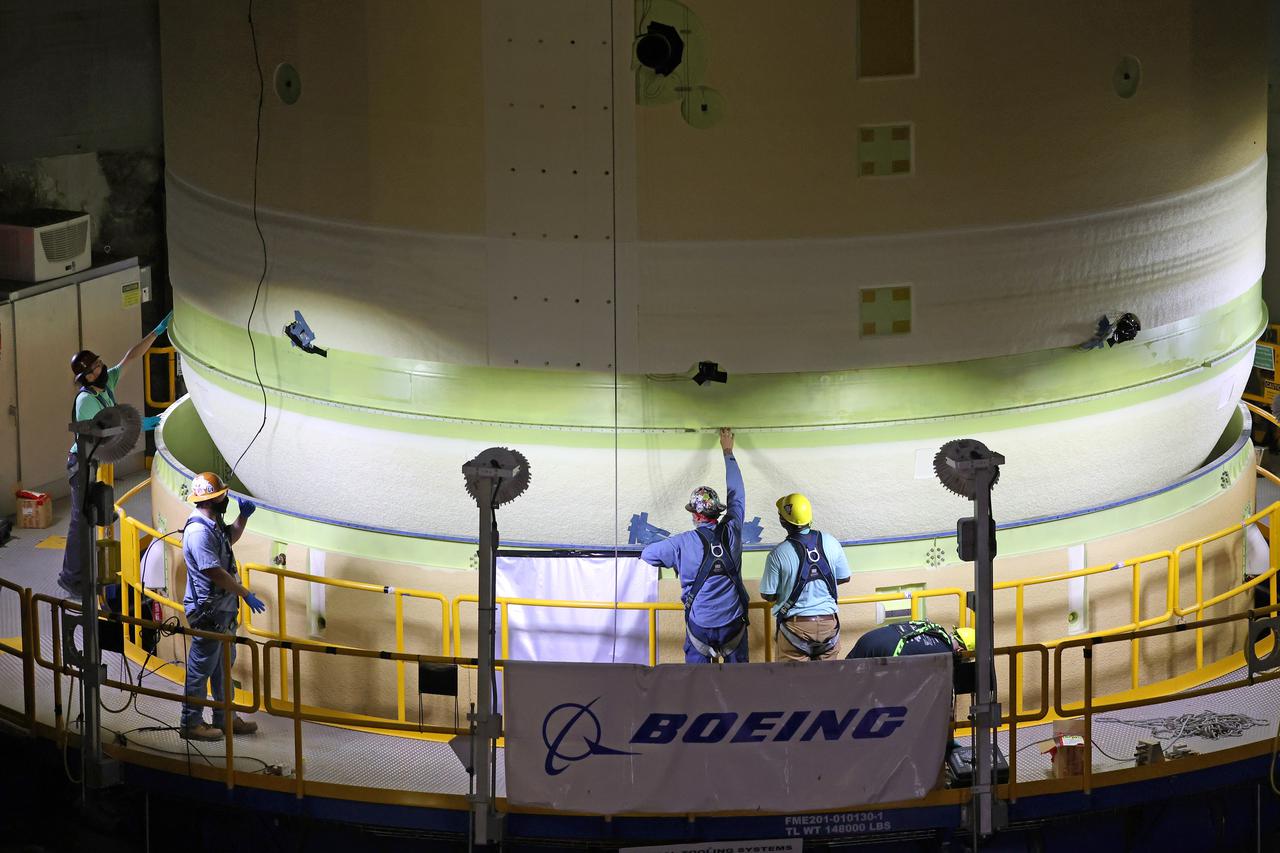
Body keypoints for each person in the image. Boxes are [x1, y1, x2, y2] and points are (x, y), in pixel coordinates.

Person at [57, 310, 172, 598]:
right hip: (81, 464)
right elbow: (108, 428)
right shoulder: (86, 401)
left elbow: (130, 357)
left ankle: (82, 574)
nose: (101, 367)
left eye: (98, 362)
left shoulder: (105, 384)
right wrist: (143, 423)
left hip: (92, 461)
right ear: (85, 377)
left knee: (90, 516)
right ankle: (71, 579)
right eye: (94, 367)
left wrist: (157, 332)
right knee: (79, 520)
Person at [641, 428, 750, 663]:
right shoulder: (733, 529)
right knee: (741, 683)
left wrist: (675, 558)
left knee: (696, 686)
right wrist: (728, 450)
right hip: (733, 623)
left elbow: (647, 555)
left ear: (695, 515)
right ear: (717, 512)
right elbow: (737, 494)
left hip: (700, 626)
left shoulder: (680, 543)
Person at [179, 471, 267, 741]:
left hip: (222, 611)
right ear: (213, 500)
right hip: (208, 612)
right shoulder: (198, 533)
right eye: (223, 496)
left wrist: (243, 518)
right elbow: (214, 572)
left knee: (221, 667)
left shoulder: (213, 523)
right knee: (201, 668)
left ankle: (225, 718)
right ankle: (190, 723)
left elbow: (229, 539)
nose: (226, 499)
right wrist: (244, 592)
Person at [760, 493, 851, 660]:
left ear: (783, 521)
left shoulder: (777, 554)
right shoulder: (831, 541)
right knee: (826, 681)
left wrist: (790, 587)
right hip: (829, 626)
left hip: (795, 629)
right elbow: (844, 577)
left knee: (794, 683)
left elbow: (768, 595)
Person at [847, 620, 975, 659]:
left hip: (869, 638)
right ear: (961, 650)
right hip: (887, 652)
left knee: (840, 680)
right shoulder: (943, 655)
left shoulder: (934, 628)